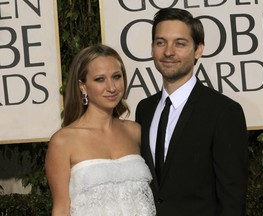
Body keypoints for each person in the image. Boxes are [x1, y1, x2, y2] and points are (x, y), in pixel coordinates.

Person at [135, 8, 248, 216]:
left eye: (180, 43)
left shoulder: (223, 112)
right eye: (161, 42)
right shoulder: (145, 109)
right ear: (152, 48)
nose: (168, 52)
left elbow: (232, 197)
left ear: (198, 50)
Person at [45, 44, 156, 216]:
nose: (111, 87)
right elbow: (61, 209)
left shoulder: (135, 132)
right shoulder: (63, 141)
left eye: (116, 77)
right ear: (82, 86)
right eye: (100, 79)